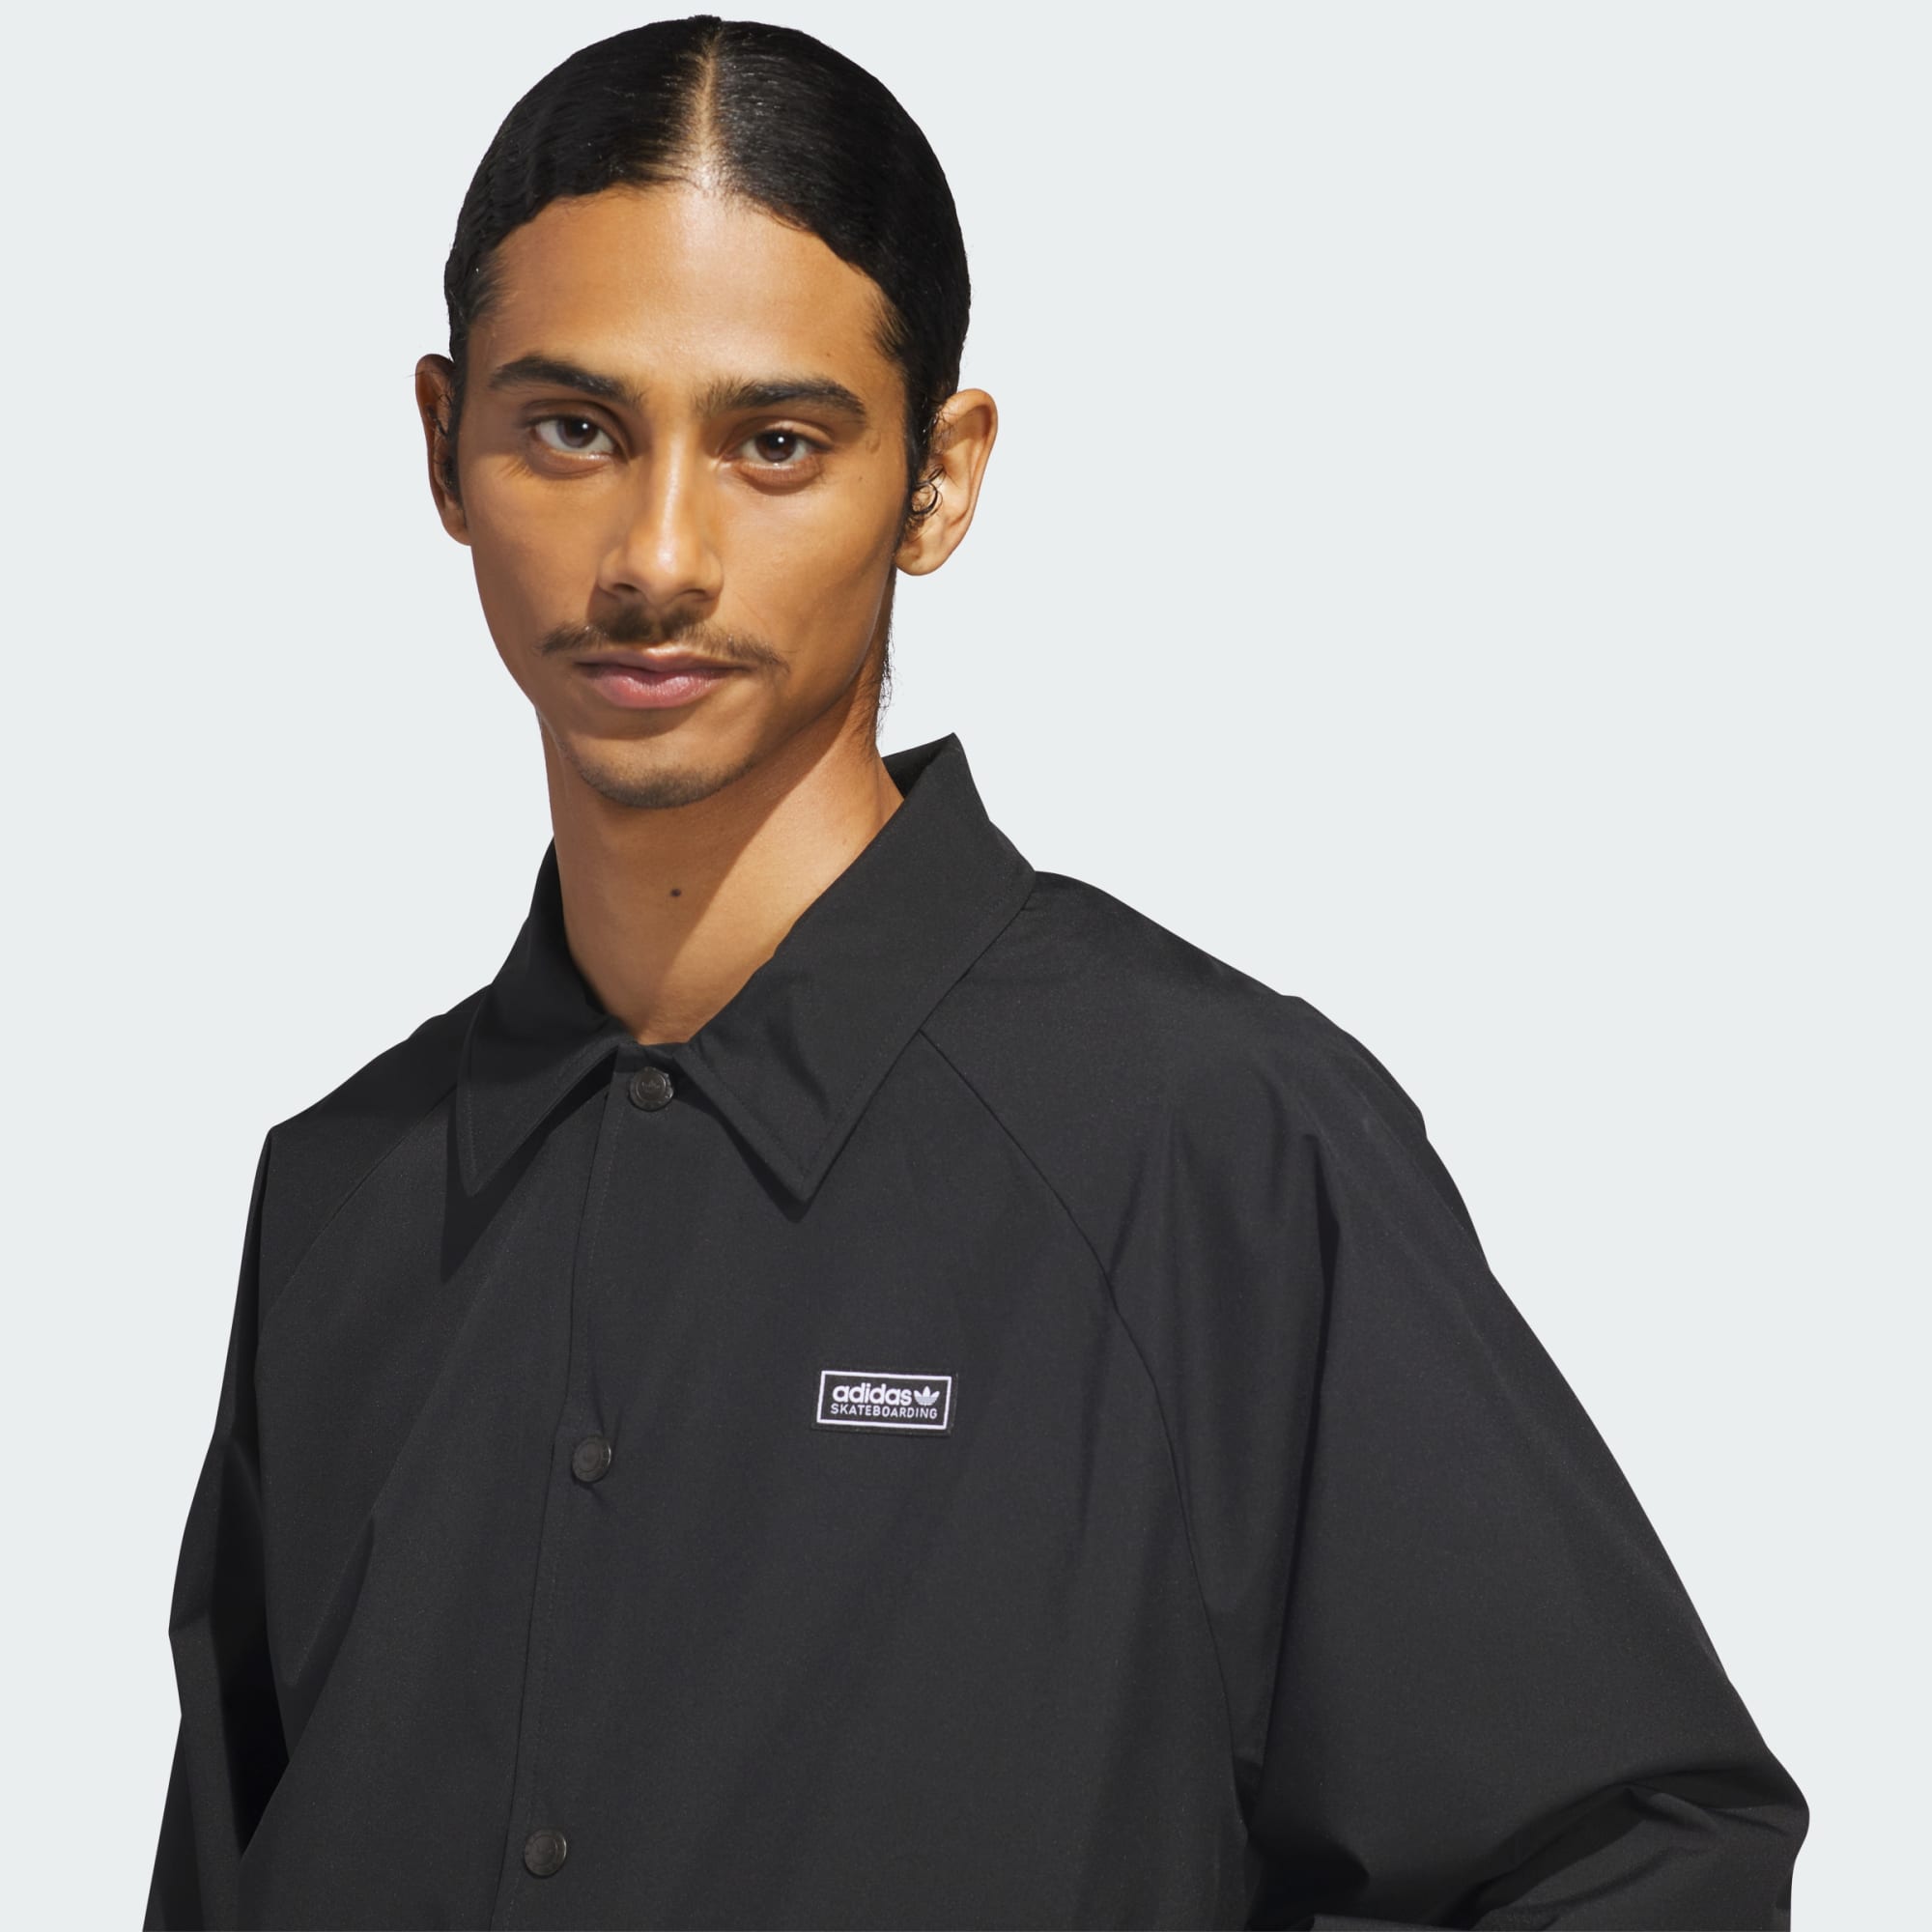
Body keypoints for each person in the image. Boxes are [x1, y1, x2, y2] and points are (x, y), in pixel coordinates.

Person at [143, 15, 1807, 1930]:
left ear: (938, 480)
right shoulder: (339, 1198)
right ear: (444, 445)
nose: (656, 557)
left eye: (774, 444)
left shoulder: (1213, 1146)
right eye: (574, 429)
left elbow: (1637, 1859)